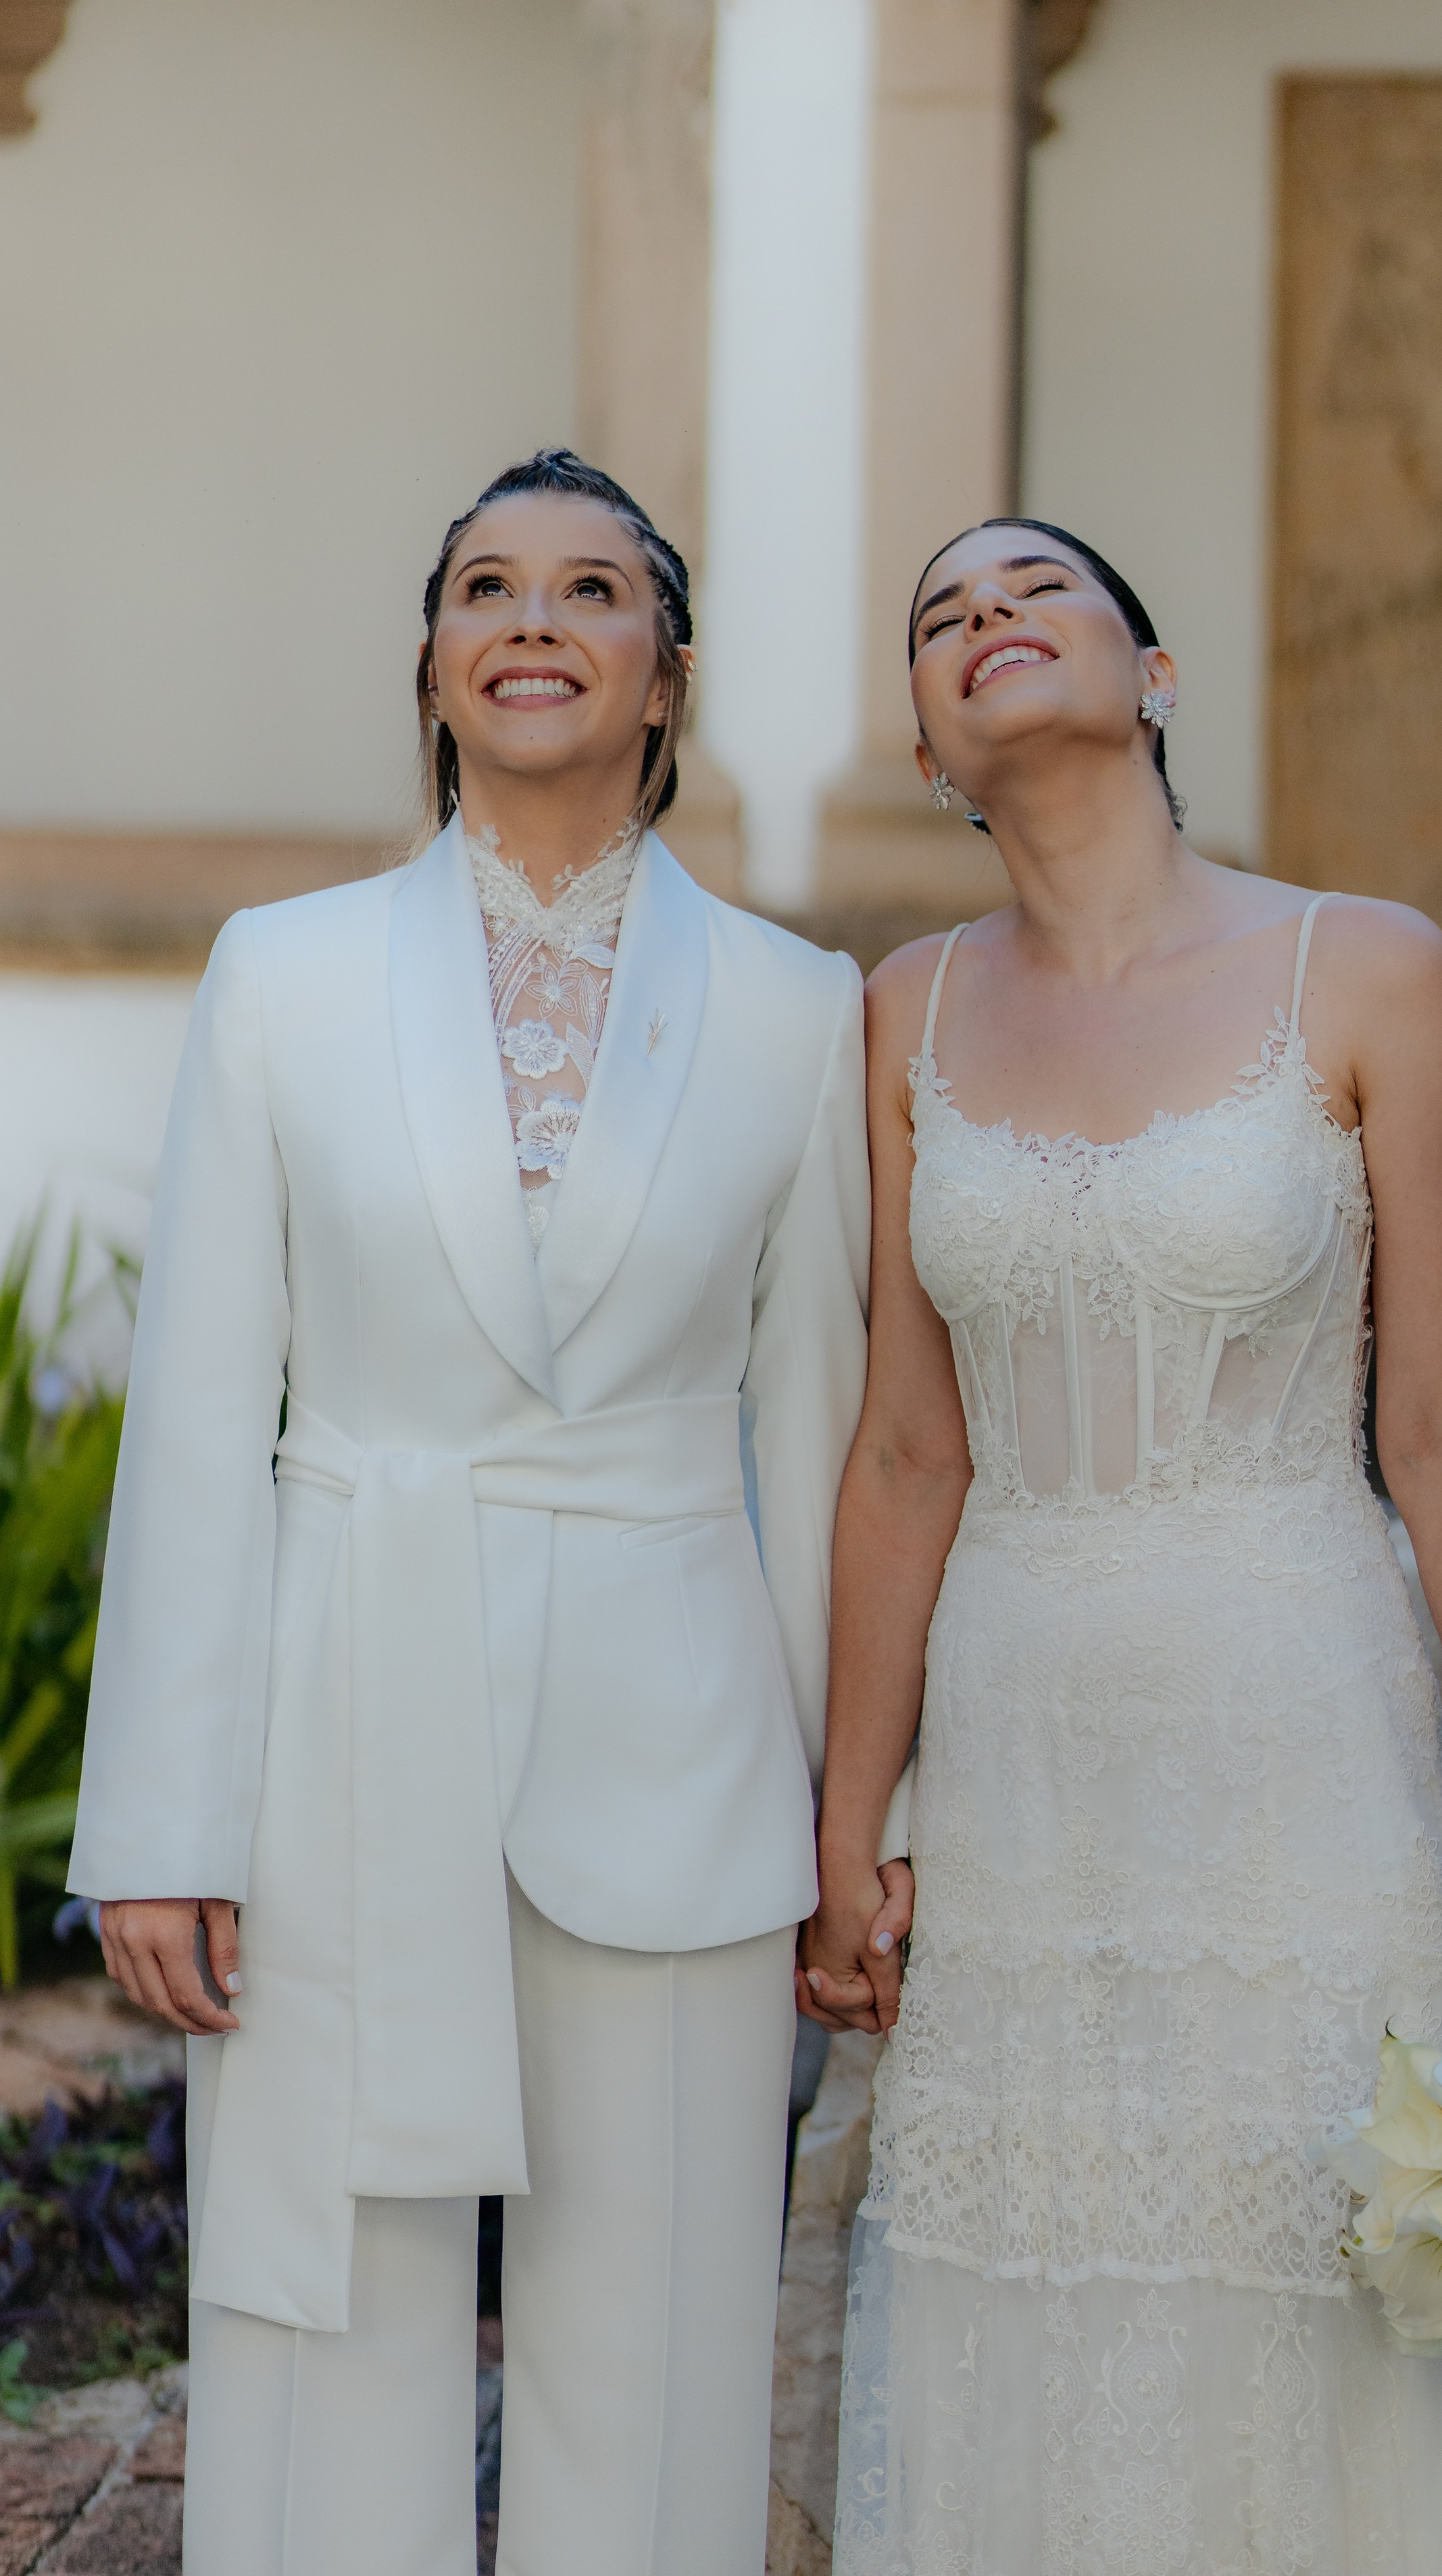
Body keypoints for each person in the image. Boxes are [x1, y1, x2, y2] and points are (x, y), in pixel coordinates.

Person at [799, 519, 1442, 2573]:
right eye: (941, 617)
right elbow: (910, 1450)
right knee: (1024, 2286)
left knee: (1315, 2295)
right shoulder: (901, 1015)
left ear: (1156, 675)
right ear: (929, 744)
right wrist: (846, 1821)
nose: (987, 617)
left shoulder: (1365, 970)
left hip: (1298, 1734)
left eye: (1036, 589)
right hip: (1018, 1759)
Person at [68, 449, 872, 2576]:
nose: (536, 618)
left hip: (686, 1759)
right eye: (488, 586)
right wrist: (161, 1818)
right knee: (331, 2304)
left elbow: (820, 1444)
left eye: (593, 588)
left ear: (668, 676)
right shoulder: (285, 975)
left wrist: (848, 1817)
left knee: (670, 2329)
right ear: (430, 666)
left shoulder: (802, 1014)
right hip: (342, 1718)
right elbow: (202, 1413)